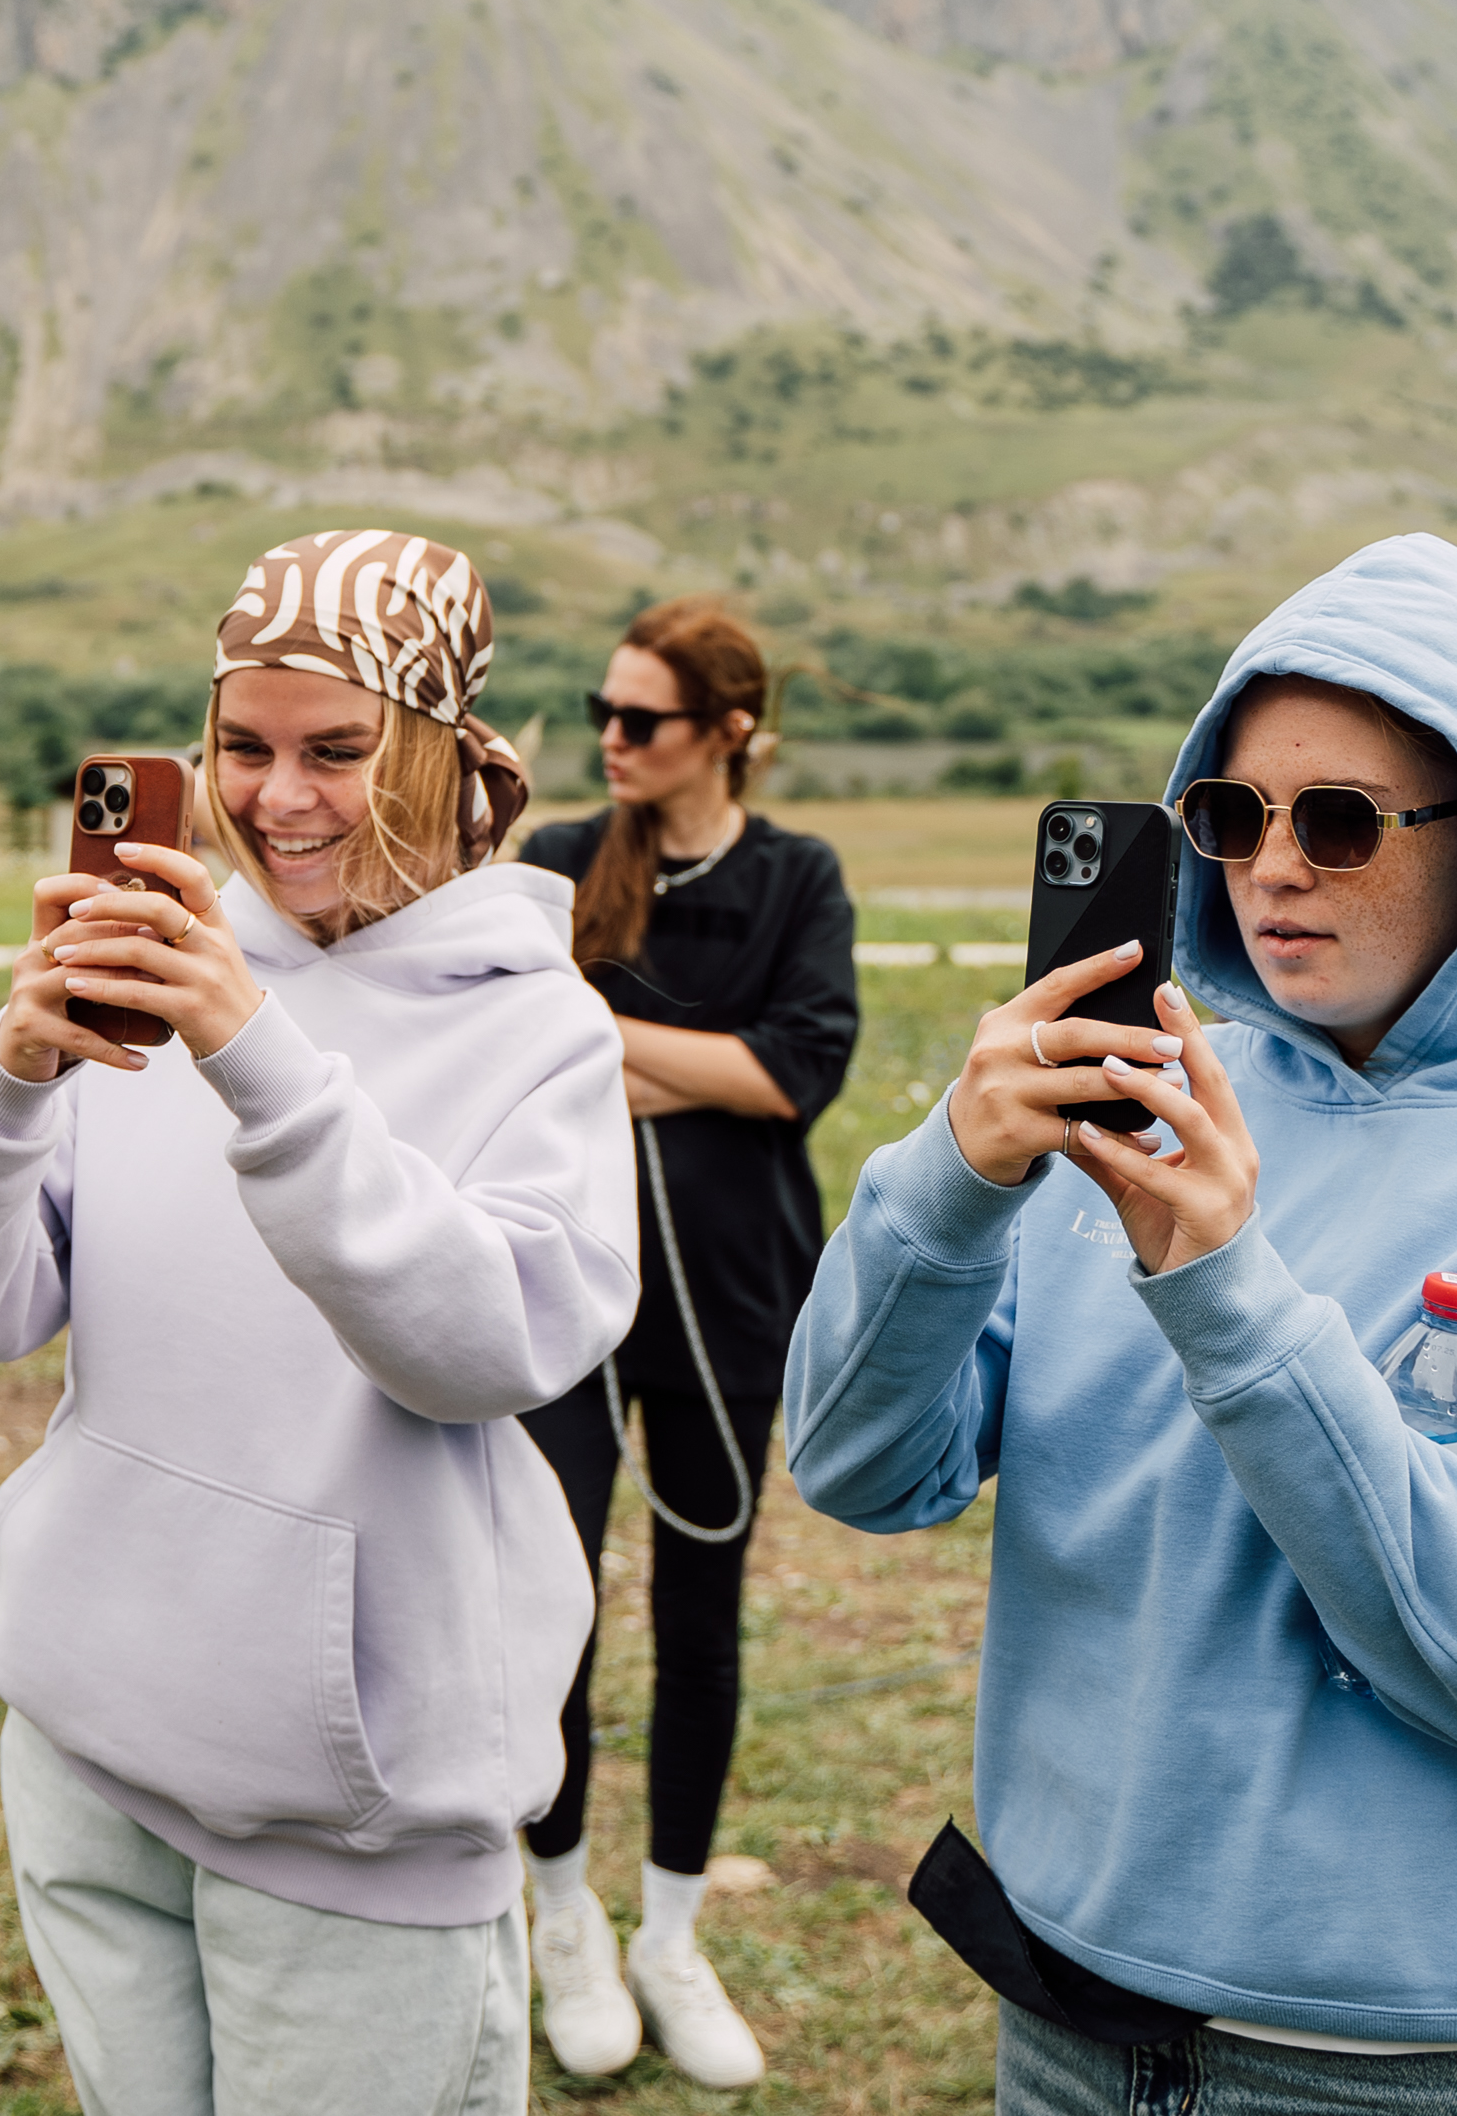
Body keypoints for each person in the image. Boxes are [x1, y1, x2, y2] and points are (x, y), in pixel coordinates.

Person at [787, 533, 1457, 2112]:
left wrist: (1232, 1294)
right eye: (1231, 818)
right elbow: (856, 1467)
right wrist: (950, 1185)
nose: (1275, 868)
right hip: (1073, 2023)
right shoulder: (1142, 1099)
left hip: (1426, 2065)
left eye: (1341, 821)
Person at [0, 527, 638, 2116]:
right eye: (244, 746)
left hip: (352, 1819)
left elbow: (482, 1347)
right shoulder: (164, 966)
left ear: (434, 753)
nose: (278, 798)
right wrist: (8, 1084)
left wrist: (258, 1055)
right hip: (88, 1751)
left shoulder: (536, 1026)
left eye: (337, 751)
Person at [509, 600, 858, 2089]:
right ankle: (560, 1915)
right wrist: (683, 1064)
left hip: (727, 1298)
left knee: (702, 1617)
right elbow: (508, 1045)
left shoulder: (796, 877)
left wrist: (605, 1038)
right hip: (560, 1299)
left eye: (641, 718)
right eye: (602, 708)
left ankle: (670, 1933)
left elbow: (797, 1073)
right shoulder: (550, 865)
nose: (609, 736)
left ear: (728, 732)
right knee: (553, 1607)